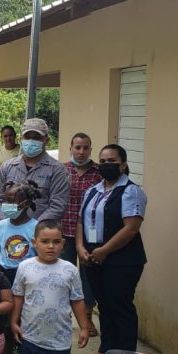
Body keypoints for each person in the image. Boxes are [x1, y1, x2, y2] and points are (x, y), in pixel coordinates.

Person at [11, 220, 90, 354]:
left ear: (63, 244)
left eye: (56, 242)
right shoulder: (25, 267)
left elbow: (77, 299)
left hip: (59, 338)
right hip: (31, 335)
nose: (50, 246)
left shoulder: (69, 270)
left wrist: (84, 326)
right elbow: (18, 295)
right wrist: (13, 321)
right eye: (45, 241)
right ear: (34, 242)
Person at [77, 144, 147, 354]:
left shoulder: (131, 191)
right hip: (92, 257)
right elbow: (81, 221)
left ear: (123, 165)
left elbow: (131, 227)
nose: (107, 165)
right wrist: (80, 248)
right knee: (104, 303)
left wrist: (105, 251)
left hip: (122, 259)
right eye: (103, 161)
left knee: (120, 303)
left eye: (112, 161)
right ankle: (106, 349)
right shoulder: (93, 190)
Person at [0, 180, 40, 354]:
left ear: (26, 203)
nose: (7, 205)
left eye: (12, 201)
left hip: (29, 282)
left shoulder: (35, 227)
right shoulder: (0, 226)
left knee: (24, 334)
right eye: (5, 200)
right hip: (5, 281)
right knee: (6, 334)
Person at [0, 118, 69, 225]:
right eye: (27, 137)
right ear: (21, 138)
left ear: (47, 140)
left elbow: (57, 206)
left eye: (37, 137)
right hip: (7, 233)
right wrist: (7, 224)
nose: (31, 141)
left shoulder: (57, 170)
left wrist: (33, 228)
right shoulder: (8, 166)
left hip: (40, 235)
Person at [61, 133, 102, 337]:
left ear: (90, 149)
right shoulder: (62, 170)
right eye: (77, 147)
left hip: (90, 233)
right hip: (64, 230)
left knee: (88, 276)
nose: (81, 151)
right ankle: (65, 316)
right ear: (70, 148)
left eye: (85, 147)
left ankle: (86, 317)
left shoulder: (98, 173)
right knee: (65, 274)